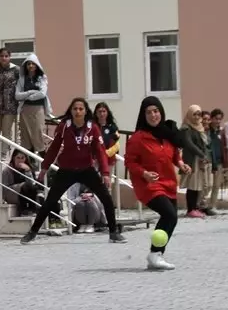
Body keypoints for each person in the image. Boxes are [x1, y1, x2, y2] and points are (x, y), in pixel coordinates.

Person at [20, 97, 124, 245]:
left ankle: (113, 233)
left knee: (106, 198)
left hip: (87, 169)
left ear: (85, 111)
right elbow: (54, 148)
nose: (78, 111)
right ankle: (32, 232)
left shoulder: (92, 127)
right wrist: (44, 168)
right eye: (75, 109)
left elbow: (100, 152)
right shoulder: (64, 126)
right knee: (50, 201)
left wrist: (105, 173)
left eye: (81, 109)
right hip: (67, 170)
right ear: (71, 111)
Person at [125, 97, 190, 271]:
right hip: (148, 185)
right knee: (169, 215)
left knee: (172, 219)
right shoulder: (138, 138)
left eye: (156, 111)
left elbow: (174, 154)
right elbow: (130, 162)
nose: (153, 115)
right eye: (149, 112)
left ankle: (157, 255)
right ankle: (154, 254)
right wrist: (144, 173)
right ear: (143, 115)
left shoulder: (167, 134)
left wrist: (181, 163)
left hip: (168, 183)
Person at [178, 105, 210, 218]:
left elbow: (204, 143)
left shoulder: (199, 127)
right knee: (192, 185)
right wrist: (201, 154)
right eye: (194, 114)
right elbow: (188, 144)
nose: (197, 117)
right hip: (192, 160)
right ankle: (190, 209)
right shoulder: (186, 128)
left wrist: (204, 156)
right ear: (189, 115)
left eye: (199, 114)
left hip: (200, 160)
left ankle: (195, 208)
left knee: (198, 185)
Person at [14, 54, 48, 153]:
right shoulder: (22, 78)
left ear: (37, 65)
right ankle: (30, 163)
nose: (31, 66)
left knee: (38, 135)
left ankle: (43, 164)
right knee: (26, 136)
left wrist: (29, 97)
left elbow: (42, 93)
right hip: (25, 110)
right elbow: (17, 95)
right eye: (29, 64)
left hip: (38, 110)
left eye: (33, 64)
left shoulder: (42, 78)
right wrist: (30, 92)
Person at [0, 50, 20, 157]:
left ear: (10, 57)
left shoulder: (16, 70)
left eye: (6, 56)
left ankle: (3, 153)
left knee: (7, 131)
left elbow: (19, 86)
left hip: (10, 105)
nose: (4, 58)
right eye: (1, 56)